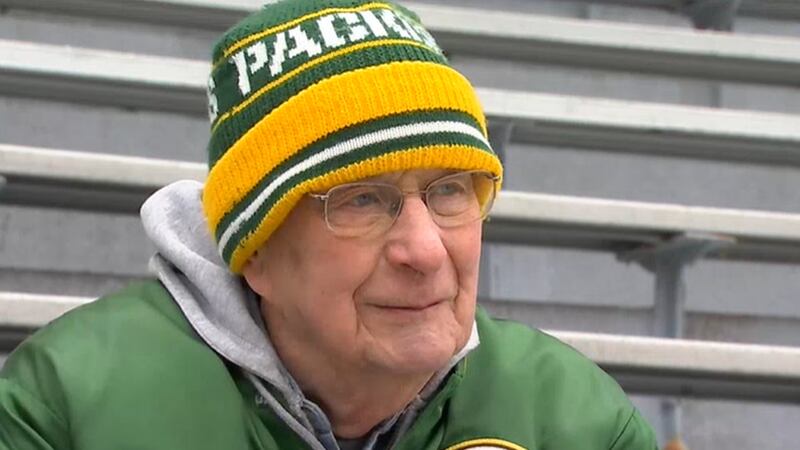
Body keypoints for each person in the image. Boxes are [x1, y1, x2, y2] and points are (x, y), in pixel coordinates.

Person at [0, 1, 658, 449]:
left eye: (451, 190)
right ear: (253, 250)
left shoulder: (576, 422)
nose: (425, 250)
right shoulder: (69, 408)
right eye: (362, 201)